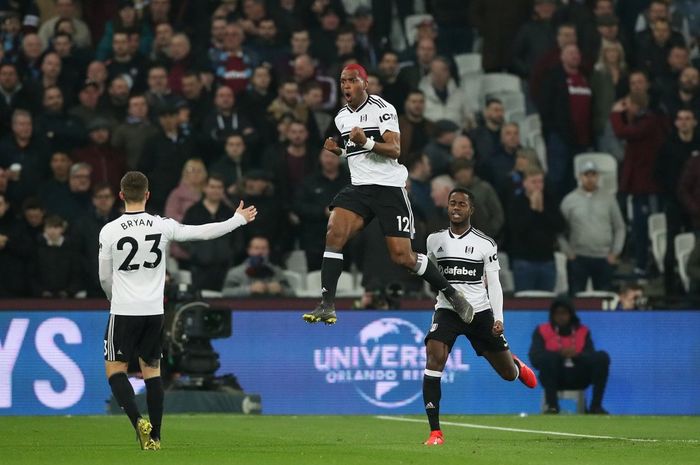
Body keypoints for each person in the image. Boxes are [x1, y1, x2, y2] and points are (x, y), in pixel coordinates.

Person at [302, 64, 473, 326]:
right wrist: (340, 152)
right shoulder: (341, 117)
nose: (346, 85)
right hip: (359, 187)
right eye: (343, 81)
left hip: (388, 187)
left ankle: (452, 293)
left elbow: (394, 149)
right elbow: (356, 153)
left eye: (352, 80)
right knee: (333, 233)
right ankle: (327, 304)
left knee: (403, 257)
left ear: (365, 84)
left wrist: (366, 141)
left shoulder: (383, 109)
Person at [98, 171, 257, 450]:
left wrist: (114, 298)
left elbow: (103, 277)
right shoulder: (162, 225)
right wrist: (237, 220)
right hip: (154, 311)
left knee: (115, 370)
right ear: (147, 195)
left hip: (124, 309)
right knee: (152, 372)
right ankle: (156, 436)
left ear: (121, 195)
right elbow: (201, 233)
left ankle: (138, 421)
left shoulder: (109, 230)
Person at [422, 188, 537, 446]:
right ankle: (435, 432)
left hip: (480, 313)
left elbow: (494, 284)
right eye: (452, 203)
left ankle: (516, 366)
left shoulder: (486, 243)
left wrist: (499, 318)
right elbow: (430, 273)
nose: (456, 208)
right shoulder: (434, 240)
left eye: (462, 204)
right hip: (448, 310)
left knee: (507, 374)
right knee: (434, 357)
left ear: (471, 210)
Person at [529, 298, 610, 414]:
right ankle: (552, 406)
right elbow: (535, 359)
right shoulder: (542, 330)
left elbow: (591, 357)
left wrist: (577, 355)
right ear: (552, 315)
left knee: (602, 357)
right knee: (548, 359)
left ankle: (595, 406)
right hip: (553, 377)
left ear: (571, 314)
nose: (561, 317)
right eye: (557, 313)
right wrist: (558, 355)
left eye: (564, 313)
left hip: (579, 376)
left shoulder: (583, 331)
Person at [559, 161, 626, 293]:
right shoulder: (569, 200)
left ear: (598, 176)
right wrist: (568, 252)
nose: (590, 179)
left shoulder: (609, 199)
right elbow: (559, 230)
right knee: (576, 297)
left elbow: (620, 227)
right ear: (580, 176)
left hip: (604, 257)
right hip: (578, 257)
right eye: (586, 175)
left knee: (603, 297)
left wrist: (615, 252)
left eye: (593, 175)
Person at [221, 236, 293, 297]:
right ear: (249, 250)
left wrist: (281, 290)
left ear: (268, 251)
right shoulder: (236, 272)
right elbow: (226, 293)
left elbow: (293, 293)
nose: (260, 252)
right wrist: (249, 290)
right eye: (256, 248)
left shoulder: (276, 271)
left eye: (264, 248)